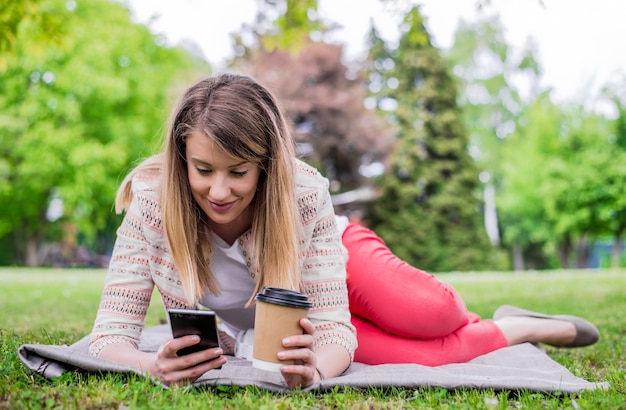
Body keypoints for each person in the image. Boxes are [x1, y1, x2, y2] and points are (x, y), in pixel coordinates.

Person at [89, 73, 599, 389]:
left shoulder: (302, 192)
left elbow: (332, 327)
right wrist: (148, 366)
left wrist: (323, 359)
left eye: (238, 172)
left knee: (433, 313)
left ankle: (476, 315)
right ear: (182, 160)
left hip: (337, 261)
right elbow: (109, 337)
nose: (219, 191)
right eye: (203, 170)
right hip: (263, 320)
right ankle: (519, 327)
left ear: (266, 166)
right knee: (430, 357)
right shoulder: (152, 207)